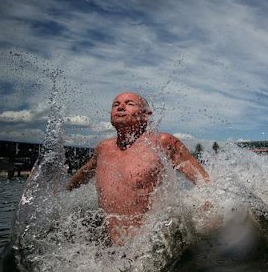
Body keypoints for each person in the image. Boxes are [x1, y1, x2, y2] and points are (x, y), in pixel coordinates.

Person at [66, 91, 210, 245]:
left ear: (146, 115)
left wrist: (205, 214)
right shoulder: (103, 148)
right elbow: (80, 177)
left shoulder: (163, 142)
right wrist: (62, 192)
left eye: (129, 103)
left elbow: (205, 183)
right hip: (109, 252)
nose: (121, 107)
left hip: (149, 247)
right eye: (116, 104)